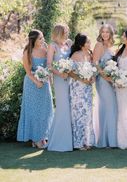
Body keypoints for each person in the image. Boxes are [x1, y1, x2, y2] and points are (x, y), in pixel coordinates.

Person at [17, 30, 53, 148]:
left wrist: (48, 79)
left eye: (43, 38)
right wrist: (36, 81)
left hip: (45, 84)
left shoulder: (45, 50)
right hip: (32, 84)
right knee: (34, 111)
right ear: (33, 40)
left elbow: (49, 65)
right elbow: (28, 72)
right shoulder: (28, 52)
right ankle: (36, 139)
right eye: (40, 39)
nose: (42, 40)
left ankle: (43, 137)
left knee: (45, 110)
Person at [47, 24, 73, 152]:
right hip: (60, 79)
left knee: (70, 106)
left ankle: (72, 140)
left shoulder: (68, 43)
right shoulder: (52, 46)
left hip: (71, 79)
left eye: (67, 32)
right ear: (59, 33)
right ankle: (59, 141)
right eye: (65, 32)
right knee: (63, 107)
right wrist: (60, 73)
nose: (67, 34)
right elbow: (49, 65)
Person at [93, 24, 117, 148]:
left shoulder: (111, 47)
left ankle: (110, 138)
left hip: (110, 81)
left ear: (111, 34)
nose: (105, 34)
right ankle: (107, 140)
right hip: (102, 81)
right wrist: (105, 76)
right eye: (103, 32)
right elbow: (95, 63)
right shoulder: (99, 45)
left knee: (111, 107)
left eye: (107, 32)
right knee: (110, 106)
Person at [69, 33, 95, 150]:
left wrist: (92, 77)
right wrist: (81, 79)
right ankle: (78, 142)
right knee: (79, 112)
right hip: (77, 87)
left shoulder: (90, 54)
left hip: (88, 88)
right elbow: (69, 71)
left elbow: (92, 69)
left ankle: (88, 141)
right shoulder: (75, 55)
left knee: (88, 112)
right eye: (88, 42)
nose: (90, 44)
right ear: (81, 44)